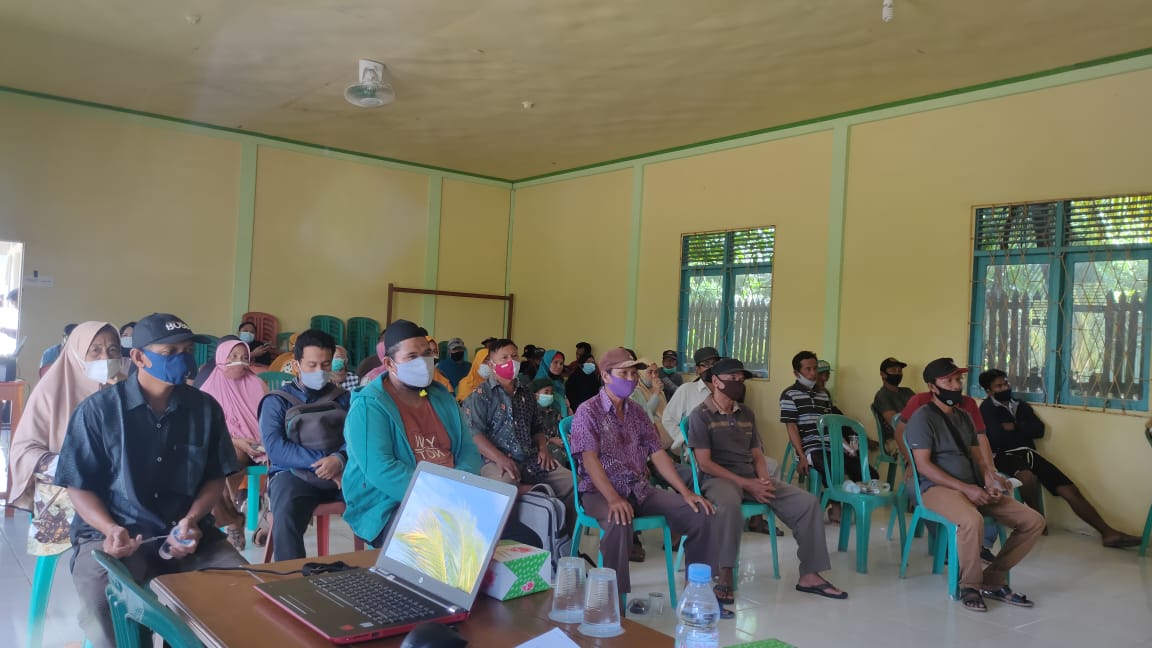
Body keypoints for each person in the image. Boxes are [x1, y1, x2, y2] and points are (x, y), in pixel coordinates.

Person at [54, 313, 245, 648]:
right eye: (169, 352)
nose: (182, 359)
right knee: (105, 601)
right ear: (139, 357)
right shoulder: (99, 412)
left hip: (187, 534)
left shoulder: (205, 409)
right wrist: (110, 529)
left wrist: (192, 520)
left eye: (187, 351)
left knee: (242, 588)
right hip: (116, 534)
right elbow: (78, 486)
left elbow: (213, 478)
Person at [687, 358, 847, 603]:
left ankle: (810, 575)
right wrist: (746, 484)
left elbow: (757, 454)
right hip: (717, 478)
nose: (739, 384)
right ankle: (725, 573)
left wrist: (762, 480)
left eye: (741, 379)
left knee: (806, 503)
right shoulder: (700, 415)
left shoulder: (746, 413)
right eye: (733, 379)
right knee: (729, 506)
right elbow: (705, 463)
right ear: (716, 382)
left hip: (750, 475)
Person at [569, 347, 717, 601]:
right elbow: (590, 460)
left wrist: (685, 492)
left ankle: (695, 594)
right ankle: (613, 603)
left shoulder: (636, 412)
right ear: (605, 376)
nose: (631, 379)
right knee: (618, 519)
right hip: (599, 491)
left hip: (638, 488)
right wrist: (613, 498)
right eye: (623, 373)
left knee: (699, 511)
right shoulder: (588, 411)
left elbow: (657, 453)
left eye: (633, 374)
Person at [904, 357, 1044, 613]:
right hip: (935, 489)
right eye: (948, 381)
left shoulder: (964, 417)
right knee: (971, 520)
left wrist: (990, 479)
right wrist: (966, 489)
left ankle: (993, 578)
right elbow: (923, 466)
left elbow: (979, 458)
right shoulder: (922, 418)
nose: (956, 386)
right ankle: (970, 585)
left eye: (958, 380)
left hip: (972, 487)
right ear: (932, 386)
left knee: (1033, 521)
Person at [342, 320, 483, 546]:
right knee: (449, 543)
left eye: (426, 354)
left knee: (517, 532)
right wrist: (440, 497)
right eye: (412, 356)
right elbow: (382, 470)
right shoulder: (368, 407)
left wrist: (458, 486)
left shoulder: (442, 398)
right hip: (390, 503)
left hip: (452, 494)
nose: (423, 362)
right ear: (390, 363)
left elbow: (469, 450)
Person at [977, 368, 1140, 548]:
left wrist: (1014, 426)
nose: (1005, 388)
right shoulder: (986, 409)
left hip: (1029, 453)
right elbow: (997, 438)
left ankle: (1108, 533)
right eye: (999, 386)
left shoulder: (1019, 405)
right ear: (989, 391)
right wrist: (1021, 428)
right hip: (1002, 455)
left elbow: (1039, 430)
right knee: (1026, 477)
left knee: (1069, 489)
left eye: (1006, 383)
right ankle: (1037, 521)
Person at [10, 322, 126, 560]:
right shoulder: (51, 391)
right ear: (76, 353)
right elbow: (24, 450)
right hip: (70, 480)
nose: (105, 358)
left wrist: (123, 397)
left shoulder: (125, 388)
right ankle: (97, 547)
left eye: (113, 350)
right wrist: (68, 464)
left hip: (118, 475)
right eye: (95, 350)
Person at [259, 329, 351, 560]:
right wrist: (324, 463)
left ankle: (381, 570)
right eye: (312, 365)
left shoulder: (343, 397)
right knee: (287, 511)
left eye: (326, 364)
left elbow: (357, 439)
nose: (319, 371)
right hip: (293, 474)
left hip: (340, 471)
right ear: (296, 364)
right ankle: (291, 577)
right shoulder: (277, 400)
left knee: (380, 500)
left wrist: (339, 459)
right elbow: (276, 448)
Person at [463, 339, 575, 524]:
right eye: (504, 357)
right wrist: (500, 458)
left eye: (514, 356)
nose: (511, 361)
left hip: (530, 458)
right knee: (505, 487)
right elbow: (475, 435)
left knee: (571, 482)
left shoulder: (527, 394)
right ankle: (505, 534)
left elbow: (537, 428)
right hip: (495, 461)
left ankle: (562, 538)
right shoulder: (480, 395)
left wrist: (543, 449)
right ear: (491, 364)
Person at [199, 339, 269, 550]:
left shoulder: (257, 384)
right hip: (226, 445)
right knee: (217, 462)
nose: (240, 361)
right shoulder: (208, 388)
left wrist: (258, 443)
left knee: (222, 462)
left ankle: (232, 520)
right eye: (233, 356)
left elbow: (268, 419)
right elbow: (205, 431)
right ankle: (232, 518)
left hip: (259, 445)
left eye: (244, 357)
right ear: (221, 357)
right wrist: (236, 441)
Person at [662, 347, 721, 450]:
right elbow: (668, 419)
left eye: (715, 364)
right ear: (697, 369)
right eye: (706, 364)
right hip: (696, 448)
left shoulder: (725, 390)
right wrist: (685, 440)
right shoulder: (687, 390)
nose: (712, 368)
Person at [872, 357, 914, 454]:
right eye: (893, 370)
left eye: (899, 371)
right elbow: (895, 423)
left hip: (914, 433)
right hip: (894, 439)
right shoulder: (882, 395)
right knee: (921, 448)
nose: (897, 373)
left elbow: (921, 413)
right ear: (883, 374)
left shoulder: (907, 391)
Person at [632, 358, 672, 449]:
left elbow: (665, 410)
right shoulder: (635, 391)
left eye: (656, 372)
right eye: (650, 372)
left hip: (665, 427)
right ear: (640, 374)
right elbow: (646, 415)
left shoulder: (658, 388)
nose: (654, 376)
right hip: (651, 433)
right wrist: (656, 392)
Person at [529, 377, 567, 467]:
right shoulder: (531, 413)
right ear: (535, 395)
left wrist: (566, 438)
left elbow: (561, 428)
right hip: (542, 446)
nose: (550, 395)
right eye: (546, 392)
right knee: (555, 451)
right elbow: (531, 435)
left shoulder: (554, 412)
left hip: (560, 443)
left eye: (551, 393)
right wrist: (550, 440)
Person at [564, 345, 601, 412]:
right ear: (581, 365)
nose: (591, 364)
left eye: (593, 362)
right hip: (578, 410)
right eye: (588, 362)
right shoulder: (574, 378)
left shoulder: (594, 378)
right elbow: (571, 398)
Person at [534, 349, 569, 416]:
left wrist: (567, 405)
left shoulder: (559, 380)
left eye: (561, 364)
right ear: (547, 362)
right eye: (555, 362)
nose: (559, 366)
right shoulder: (539, 382)